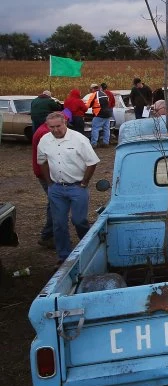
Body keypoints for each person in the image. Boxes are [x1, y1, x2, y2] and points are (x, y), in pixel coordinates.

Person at [37, 112, 100, 264]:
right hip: (57, 188)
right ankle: (64, 256)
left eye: (58, 126)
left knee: (79, 221)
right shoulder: (45, 140)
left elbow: (92, 162)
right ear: (47, 127)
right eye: (51, 127)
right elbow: (42, 161)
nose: (55, 130)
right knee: (59, 224)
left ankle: (90, 248)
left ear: (65, 122)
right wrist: (49, 182)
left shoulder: (79, 139)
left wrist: (84, 183)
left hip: (77, 187)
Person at [31, 120, 55, 248]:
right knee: (55, 203)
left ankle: (50, 234)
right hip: (46, 173)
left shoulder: (43, 129)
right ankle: (48, 235)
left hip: (46, 172)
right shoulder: (44, 133)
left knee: (54, 202)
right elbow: (47, 157)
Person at [88, 82, 114, 147]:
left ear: (93, 89)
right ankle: (106, 143)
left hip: (99, 114)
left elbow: (88, 105)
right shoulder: (104, 94)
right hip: (107, 114)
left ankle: (94, 143)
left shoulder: (94, 95)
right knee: (106, 129)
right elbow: (108, 103)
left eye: (91, 89)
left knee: (95, 128)